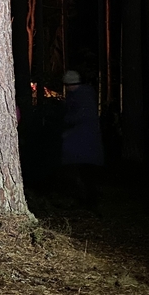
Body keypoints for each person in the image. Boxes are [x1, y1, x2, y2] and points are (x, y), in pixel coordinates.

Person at [61, 70, 104, 206]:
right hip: (82, 142)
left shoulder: (81, 97)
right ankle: (86, 199)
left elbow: (81, 116)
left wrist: (67, 121)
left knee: (83, 172)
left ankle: (87, 200)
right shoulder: (81, 95)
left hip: (81, 142)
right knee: (83, 171)